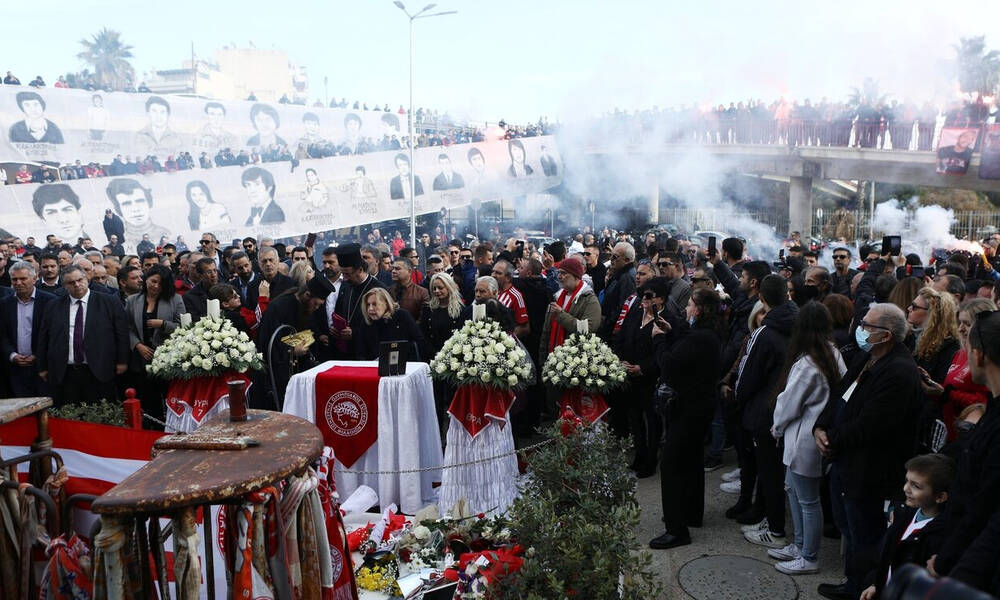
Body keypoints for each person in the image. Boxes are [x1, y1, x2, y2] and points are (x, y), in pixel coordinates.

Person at [813, 303, 923, 600]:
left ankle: (860, 589)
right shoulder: (868, 357)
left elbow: (870, 424)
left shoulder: (899, 372)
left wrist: (831, 439)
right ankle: (853, 582)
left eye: (867, 325)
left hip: (869, 471)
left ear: (885, 334)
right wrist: (820, 427)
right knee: (849, 528)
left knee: (865, 535)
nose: (859, 329)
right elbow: (840, 394)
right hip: (846, 463)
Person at [768, 301, 847, 574]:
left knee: (807, 500)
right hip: (810, 436)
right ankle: (800, 545)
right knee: (795, 490)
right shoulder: (832, 353)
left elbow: (789, 403)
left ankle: (809, 556)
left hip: (803, 439)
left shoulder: (807, 363)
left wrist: (777, 425)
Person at [648, 288, 723, 549]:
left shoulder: (702, 338)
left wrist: (658, 339)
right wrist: (672, 331)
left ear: (699, 310)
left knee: (671, 465)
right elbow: (686, 344)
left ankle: (676, 529)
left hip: (689, 408)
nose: (686, 309)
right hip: (699, 406)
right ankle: (691, 512)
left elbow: (669, 364)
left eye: (690, 305)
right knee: (691, 460)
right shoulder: (705, 334)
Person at [858, 454, 956, 600]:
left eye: (916, 486)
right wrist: (876, 584)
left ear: (940, 497)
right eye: (906, 481)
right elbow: (886, 558)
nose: (905, 489)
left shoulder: (940, 536)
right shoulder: (904, 515)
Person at [36, 265, 129, 406]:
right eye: (71, 282)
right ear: (64, 285)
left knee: (100, 415)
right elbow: (44, 337)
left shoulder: (109, 301)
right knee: (69, 417)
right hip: (64, 372)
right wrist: (42, 366)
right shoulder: (53, 305)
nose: (77, 285)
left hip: (99, 370)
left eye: (80, 280)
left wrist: (122, 361)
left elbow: (121, 334)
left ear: (87, 279)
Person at [615, 277, 668, 477]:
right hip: (630, 376)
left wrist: (642, 367)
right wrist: (621, 361)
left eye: (649, 296)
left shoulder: (666, 320)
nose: (643, 299)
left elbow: (664, 351)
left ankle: (651, 459)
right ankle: (639, 454)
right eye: (642, 295)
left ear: (660, 300)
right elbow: (620, 338)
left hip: (650, 378)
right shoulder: (635, 314)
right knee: (634, 418)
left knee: (652, 420)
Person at [924, 298, 996, 442]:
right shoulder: (960, 353)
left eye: (967, 324)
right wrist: (933, 387)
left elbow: (986, 402)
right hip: (949, 432)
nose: (960, 329)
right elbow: (949, 389)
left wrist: (948, 394)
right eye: (960, 322)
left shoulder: (990, 359)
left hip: (971, 436)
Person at [256, 275, 332, 409]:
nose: (317, 308)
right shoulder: (279, 307)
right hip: (278, 374)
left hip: (298, 370)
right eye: (316, 304)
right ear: (307, 295)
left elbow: (306, 333)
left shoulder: (306, 306)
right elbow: (269, 341)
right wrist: (291, 350)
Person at [124, 265, 184, 424]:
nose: (156, 286)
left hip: (167, 358)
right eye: (153, 281)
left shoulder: (175, 300)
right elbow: (126, 328)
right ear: (146, 279)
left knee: (169, 398)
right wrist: (137, 345)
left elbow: (183, 326)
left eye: (160, 283)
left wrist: (163, 324)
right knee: (147, 401)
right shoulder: (132, 300)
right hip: (141, 358)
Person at [0, 262, 55, 396]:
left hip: (43, 368)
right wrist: (12, 355)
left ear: (35, 278)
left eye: (23, 279)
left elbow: (54, 335)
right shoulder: (4, 304)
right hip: (13, 368)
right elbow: (2, 335)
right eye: (14, 279)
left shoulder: (50, 301)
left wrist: (38, 355)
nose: (18, 283)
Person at [538, 259, 602, 366]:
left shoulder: (589, 300)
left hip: (574, 363)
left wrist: (561, 315)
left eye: (563, 273)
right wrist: (542, 358)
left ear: (576, 276)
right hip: (552, 359)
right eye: (558, 273)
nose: (559, 277)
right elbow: (546, 331)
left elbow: (587, 329)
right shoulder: (558, 297)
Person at [353, 287, 428, 361]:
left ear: (386, 303)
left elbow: (419, 342)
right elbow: (361, 353)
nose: (370, 309)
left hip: (406, 365)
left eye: (374, 304)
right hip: (374, 368)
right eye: (368, 305)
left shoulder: (402, 316)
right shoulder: (366, 322)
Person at [105, 179, 170, 253]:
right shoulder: (120, 240)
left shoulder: (166, 234)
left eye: (140, 201)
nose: (136, 209)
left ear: (149, 202)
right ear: (118, 209)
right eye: (127, 204)